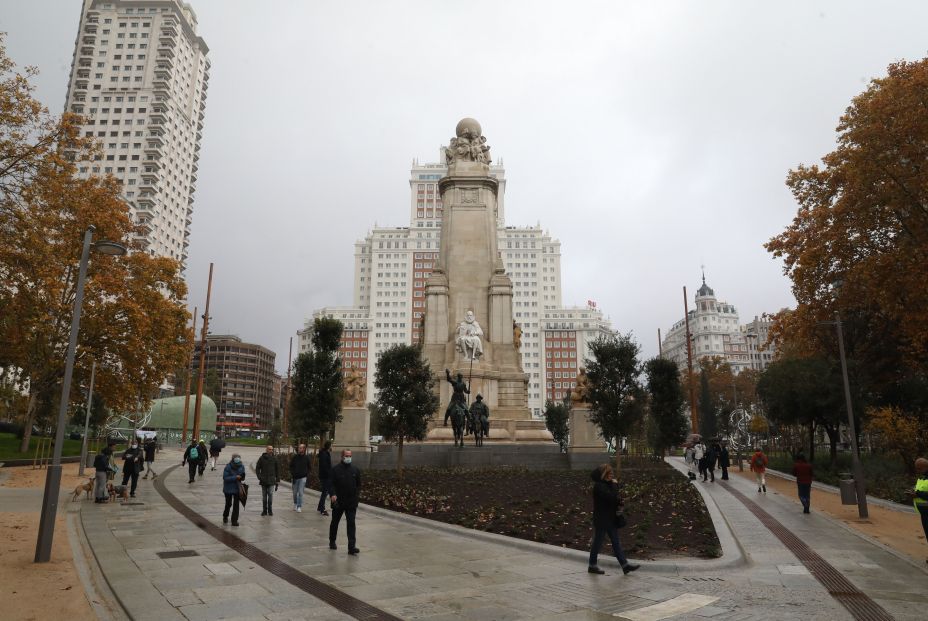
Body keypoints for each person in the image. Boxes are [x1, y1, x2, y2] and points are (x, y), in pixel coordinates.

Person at [587, 463, 639, 575]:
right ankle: (592, 565)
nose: (612, 475)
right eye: (609, 473)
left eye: (612, 473)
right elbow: (611, 497)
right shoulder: (599, 486)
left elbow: (614, 499)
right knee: (597, 543)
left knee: (616, 542)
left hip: (610, 519)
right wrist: (615, 486)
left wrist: (620, 501)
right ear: (604, 474)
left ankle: (625, 565)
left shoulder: (607, 484)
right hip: (602, 519)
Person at [329, 449, 361, 555]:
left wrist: (356, 497)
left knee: (351, 524)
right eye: (347, 456)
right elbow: (331, 484)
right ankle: (332, 541)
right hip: (338, 502)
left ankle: (351, 547)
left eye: (350, 456)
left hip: (351, 502)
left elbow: (358, 485)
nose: (349, 457)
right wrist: (333, 494)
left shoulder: (355, 470)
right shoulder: (335, 470)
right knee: (335, 522)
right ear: (342, 456)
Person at [255, 445, 280, 516]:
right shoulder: (262, 458)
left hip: (272, 480)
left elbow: (278, 470)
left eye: (272, 449)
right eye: (269, 449)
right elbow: (257, 468)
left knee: (271, 495)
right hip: (263, 480)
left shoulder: (275, 459)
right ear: (266, 450)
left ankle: (270, 510)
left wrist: (277, 479)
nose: (271, 451)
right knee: (264, 496)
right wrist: (259, 477)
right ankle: (264, 510)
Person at [222, 454, 246, 526]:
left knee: (236, 505)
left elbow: (242, 476)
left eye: (238, 458)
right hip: (228, 488)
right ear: (233, 459)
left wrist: (242, 477)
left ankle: (234, 520)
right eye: (236, 458)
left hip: (237, 488)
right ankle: (225, 516)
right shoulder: (228, 466)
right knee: (228, 504)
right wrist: (235, 477)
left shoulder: (242, 466)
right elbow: (225, 478)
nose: (237, 459)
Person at [911, 458, 928, 558]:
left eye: (919, 468)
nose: (917, 470)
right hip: (924, 512)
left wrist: (917, 493)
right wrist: (914, 492)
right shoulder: (922, 478)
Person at [290, 443, 310, 512]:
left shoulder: (307, 457)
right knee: (295, 493)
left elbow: (309, 467)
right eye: (299, 448)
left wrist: (306, 474)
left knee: (300, 493)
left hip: (303, 478)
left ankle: (299, 506)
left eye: (301, 448)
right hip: (295, 478)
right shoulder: (295, 457)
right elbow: (291, 466)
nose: (300, 449)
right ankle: (295, 504)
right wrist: (293, 473)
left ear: (304, 449)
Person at [317, 440, 332, 516]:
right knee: (325, 492)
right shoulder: (324, 454)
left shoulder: (325, 453)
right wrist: (329, 474)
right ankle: (322, 509)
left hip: (324, 475)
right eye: (331, 446)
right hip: (325, 476)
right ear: (329, 446)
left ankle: (320, 507)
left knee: (324, 492)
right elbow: (324, 466)